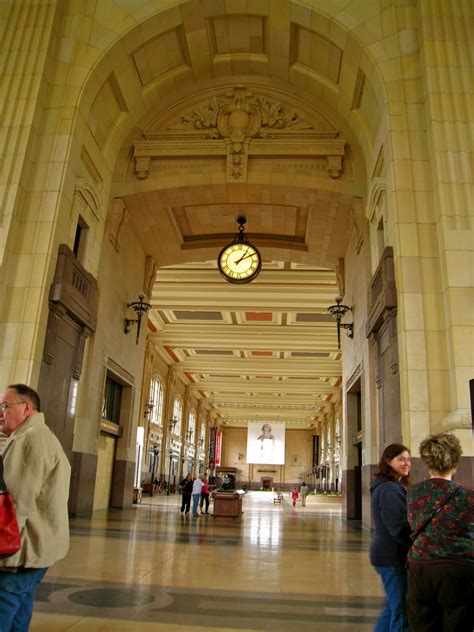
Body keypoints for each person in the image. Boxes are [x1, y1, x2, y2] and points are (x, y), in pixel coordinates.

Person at [0, 384, 71, 632]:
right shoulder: (43, 436)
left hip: (20, 552)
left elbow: (16, 504)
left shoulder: (29, 440)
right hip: (36, 549)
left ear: (27, 407)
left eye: (5, 406)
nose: (1, 412)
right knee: (19, 611)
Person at [406, 432, 474, 631]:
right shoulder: (468, 495)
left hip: (420, 567)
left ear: (427, 463)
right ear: (455, 461)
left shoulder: (413, 493)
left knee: (422, 625)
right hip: (458, 569)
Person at [370, 443, 412, 632]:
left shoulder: (391, 487)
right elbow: (398, 527)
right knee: (401, 611)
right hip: (391, 556)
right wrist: (415, 544)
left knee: (391, 607)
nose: (407, 463)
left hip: (387, 554)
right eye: (401, 459)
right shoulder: (389, 489)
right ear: (388, 461)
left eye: (408, 459)